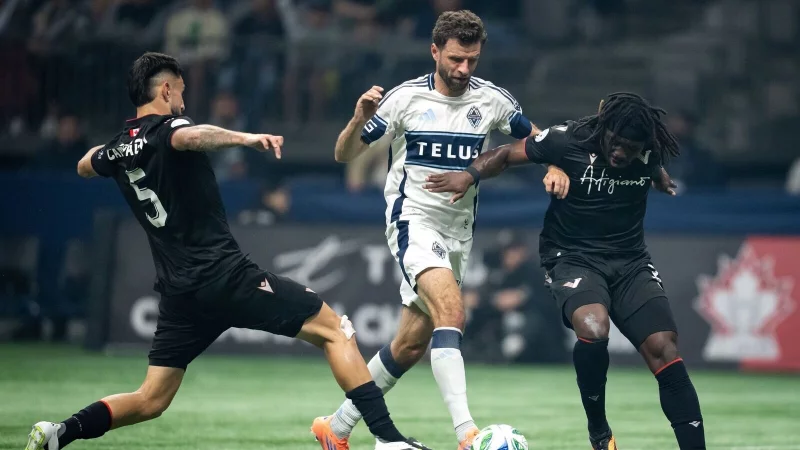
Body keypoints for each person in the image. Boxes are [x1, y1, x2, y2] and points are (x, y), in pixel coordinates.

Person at [24, 52, 430, 450]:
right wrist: (246, 138)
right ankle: (388, 439)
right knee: (334, 331)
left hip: (180, 293)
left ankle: (61, 432)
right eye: (180, 91)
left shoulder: (118, 147)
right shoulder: (171, 127)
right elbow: (191, 135)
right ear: (165, 90)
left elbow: (83, 164)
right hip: (224, 277)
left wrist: (115, 153)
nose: (184, 100)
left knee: (151, 399)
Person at [312, 10, 569, 450]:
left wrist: (556, 163)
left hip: (458, 232)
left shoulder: (492, 100)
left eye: (472, 60)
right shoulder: (404, 99)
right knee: (452, 312)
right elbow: (343, 153)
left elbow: (535, 138)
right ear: (434, 51)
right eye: (455, 59)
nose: (464, 69)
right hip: (412, 220)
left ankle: (334, 428)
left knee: (410, 345)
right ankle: (467, 434)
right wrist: (358, 119)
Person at [424, 92, 706, 450]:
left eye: (631, 148)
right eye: (616, 143)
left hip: (630, 260)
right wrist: (469, 175)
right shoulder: (567, 138)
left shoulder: (649, 148)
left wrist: (658, 174)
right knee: (593, 326)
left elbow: (650, 160)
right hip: (572, 257)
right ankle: (599, 430)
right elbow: (506, 154)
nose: (621, 153)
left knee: (664, 347)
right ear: (605, 130)